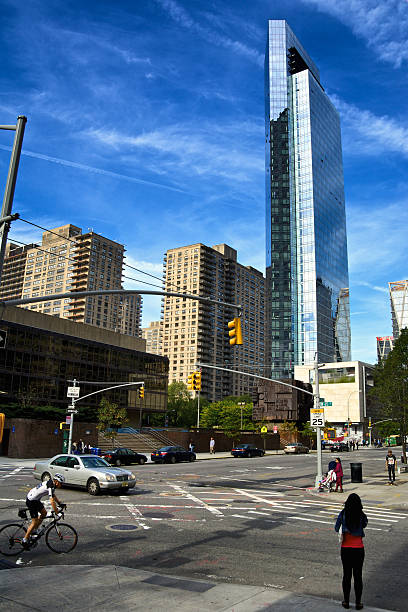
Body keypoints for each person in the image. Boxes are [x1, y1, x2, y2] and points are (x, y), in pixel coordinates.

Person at [335, 493, 368, 610]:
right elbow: (365, 524)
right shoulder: (361, 514)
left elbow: (336, 528)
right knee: (358, 576)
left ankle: (346, 601)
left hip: (346, 549)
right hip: (359, 549)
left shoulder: (343, 513)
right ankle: (358, 603)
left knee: (347, 575)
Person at [23, 474, 66, 547]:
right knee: (34, 521)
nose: (61, 485)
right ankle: (25, 539)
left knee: (44, 513)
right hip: (31, 500)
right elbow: (51, 501)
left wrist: (59, 503)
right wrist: (57, 512)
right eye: (61, 483)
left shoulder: (52, 484)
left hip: (35, 499)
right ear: (56, 482)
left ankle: (34, 530)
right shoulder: (50, 486)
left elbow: (53, 495)